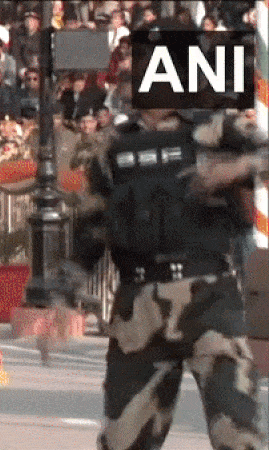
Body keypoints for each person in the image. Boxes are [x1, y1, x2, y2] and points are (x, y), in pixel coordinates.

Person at [70, 108, 267, 450]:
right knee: (123, 441)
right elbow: (92, 225)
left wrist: (238, 167)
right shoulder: (113, 143)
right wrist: (61, 292)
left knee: (237, 435)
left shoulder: (217, 127)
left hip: (210, 301)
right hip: (138, 308)